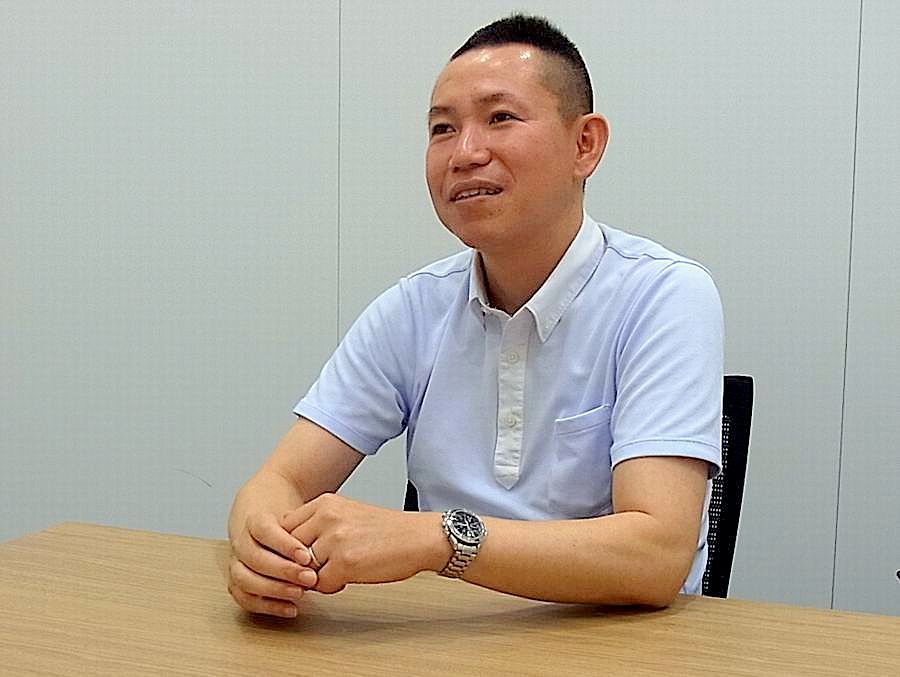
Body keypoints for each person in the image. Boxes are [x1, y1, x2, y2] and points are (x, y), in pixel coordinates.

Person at [227, 14, 723, 619]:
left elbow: (656, 556)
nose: (465, 153)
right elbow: (277, 483)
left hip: (621, 642)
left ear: (585, 145)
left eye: (500, 118)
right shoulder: (414, 308)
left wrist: (438, 539)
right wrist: (263, 548)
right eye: (443, 128)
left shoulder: (663, 295)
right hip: (447, 634)